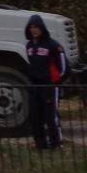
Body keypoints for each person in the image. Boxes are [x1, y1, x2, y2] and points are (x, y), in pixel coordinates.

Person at [25, 14, 68, 149]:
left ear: (42, 28)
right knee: (36, 116)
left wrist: (55, 81)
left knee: (51, 116)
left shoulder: (53, 45)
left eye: (36, 27)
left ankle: (57, 143)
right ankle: (40, 143)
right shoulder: (29, 46)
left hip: (49, 86)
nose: (34, 30)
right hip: (35, 86)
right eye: (31, 27)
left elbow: (63, 66)